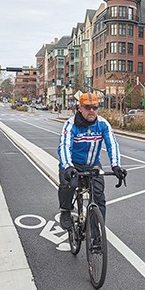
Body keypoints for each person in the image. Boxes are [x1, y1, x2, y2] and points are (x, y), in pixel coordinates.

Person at [57, 92, 126, 232]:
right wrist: (68, 167)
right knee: (68, 185)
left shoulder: (102, 124)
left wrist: (116, 165)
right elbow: (64, 146)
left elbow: (112, 144)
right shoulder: (70, 125)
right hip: (73, 164)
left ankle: (95, 236)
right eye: (87, 107)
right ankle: (65, 210)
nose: (92, 111)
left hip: (93, 164)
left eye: (95, 107)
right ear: (80, 108)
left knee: (99, 198)